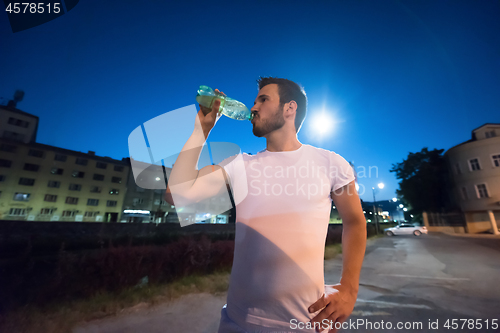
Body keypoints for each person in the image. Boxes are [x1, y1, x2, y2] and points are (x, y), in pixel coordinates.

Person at [165, 77, 366, 333]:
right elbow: (177, 193)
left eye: (263, 99)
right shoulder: (240, 165)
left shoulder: (331, 163)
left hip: (304, 324)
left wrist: (349, 289)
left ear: (289, 108)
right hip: (236, 323)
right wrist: (201, 130)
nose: (254, 107)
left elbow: (354, 221)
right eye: (254, 100)